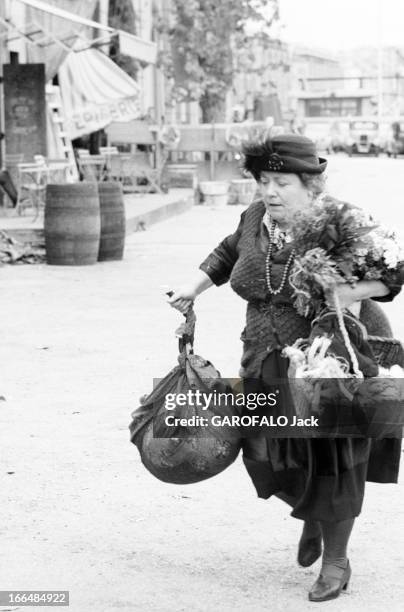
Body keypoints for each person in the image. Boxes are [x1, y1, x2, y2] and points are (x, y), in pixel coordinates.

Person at [168, 134, 403, 602]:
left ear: (310, 183)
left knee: (335, 461)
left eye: (281, 183)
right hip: (265, 353)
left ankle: (336, 560)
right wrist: (194, 287)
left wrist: (351, 293)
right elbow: (228, 251)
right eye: (263, 182)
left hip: (329, 358)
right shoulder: (256, 217)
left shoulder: (342, 217)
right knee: (263, 453)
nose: (270, 192)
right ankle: (312, 513)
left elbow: (394, 269)